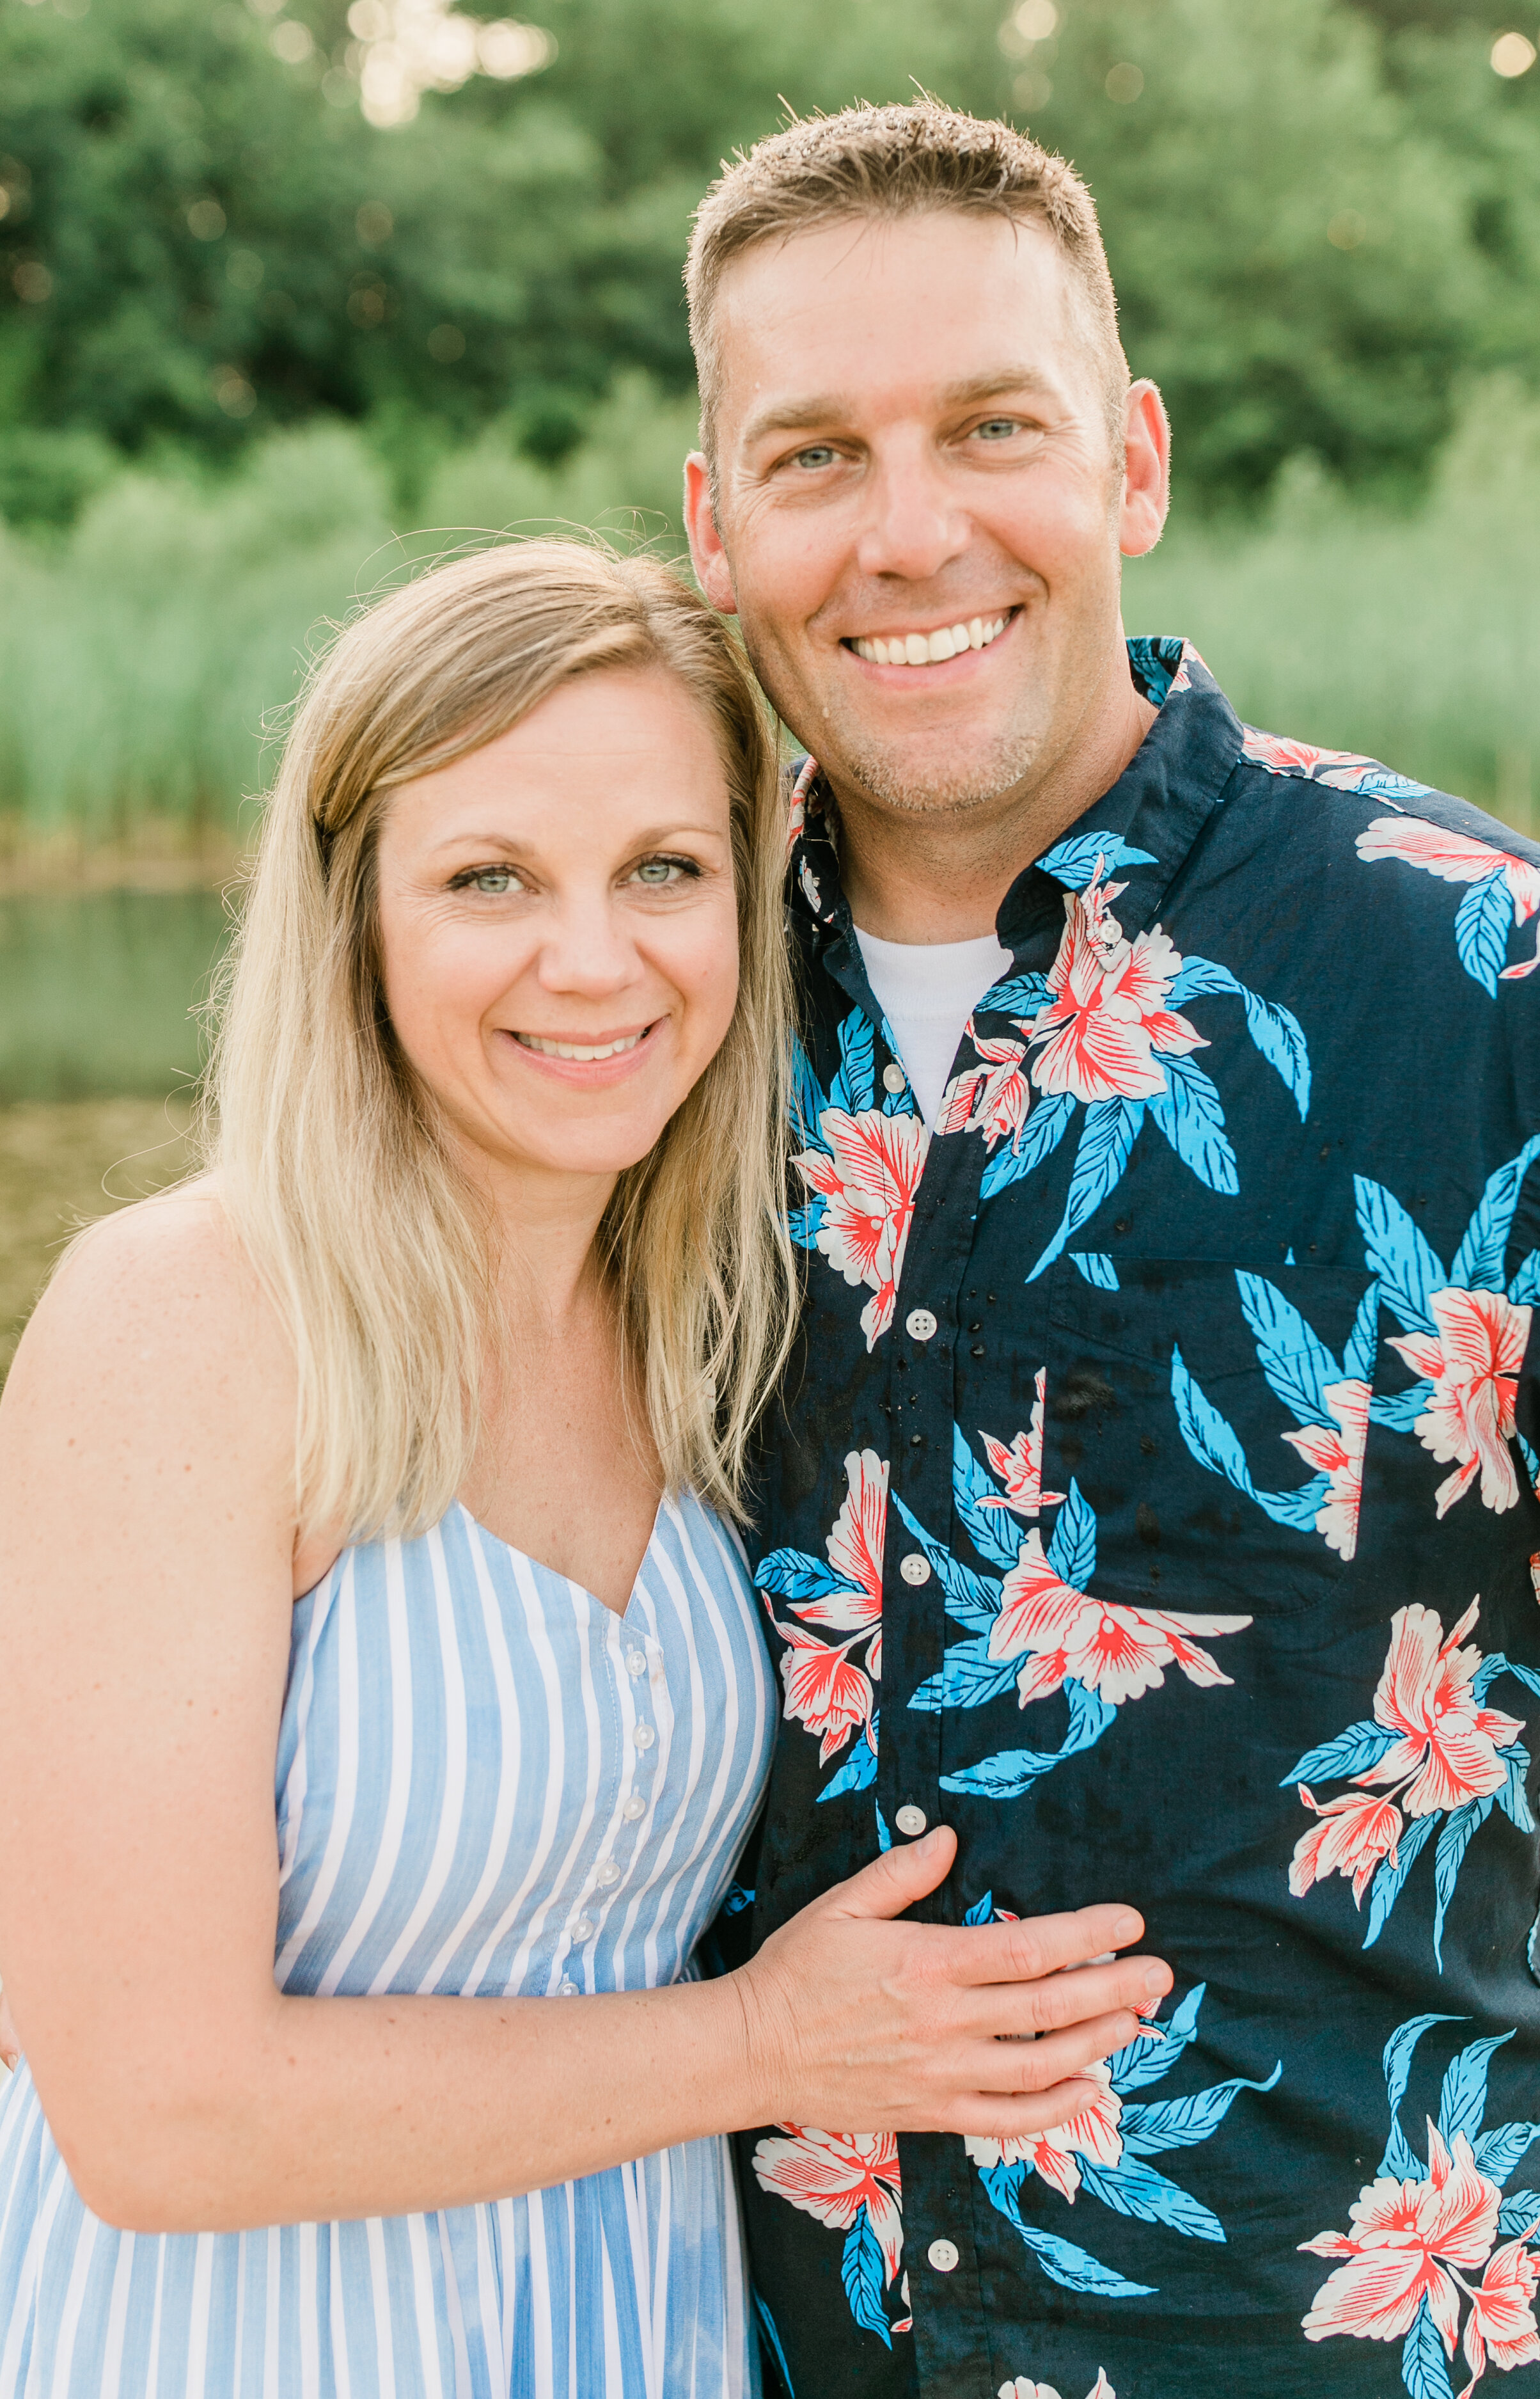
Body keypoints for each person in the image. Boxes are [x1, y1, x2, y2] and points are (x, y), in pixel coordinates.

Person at [0, 541, 1170, 2397]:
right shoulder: (189, 1323)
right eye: (488, 879)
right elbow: (161, 2114)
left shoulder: (707, 1332)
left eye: (661, 872)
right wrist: (764, 2047)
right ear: (353, 913)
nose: (591, 960)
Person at [679, 103, 1540, 2399]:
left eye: (992, 427)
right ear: (715, 527)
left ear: (1131, 463)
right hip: (722, 2342)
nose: (911, 534)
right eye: (814, 457)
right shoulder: (627, 1025)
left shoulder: (1497, 987)